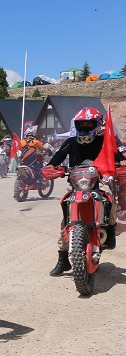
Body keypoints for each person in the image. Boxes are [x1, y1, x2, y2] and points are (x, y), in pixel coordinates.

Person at [46, 108, 126, 276]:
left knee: (110, 201)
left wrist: (122, 165)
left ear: (97, 124)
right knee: (66, 217)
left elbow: (120, 157)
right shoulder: (70, 142)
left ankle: (110, 232)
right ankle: (63, 259)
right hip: (77, 184)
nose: (85, 127)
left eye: (89, 124)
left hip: (100, 181)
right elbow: (55, 159)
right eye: (82, 124)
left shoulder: (105, 141)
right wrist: (52, 168)